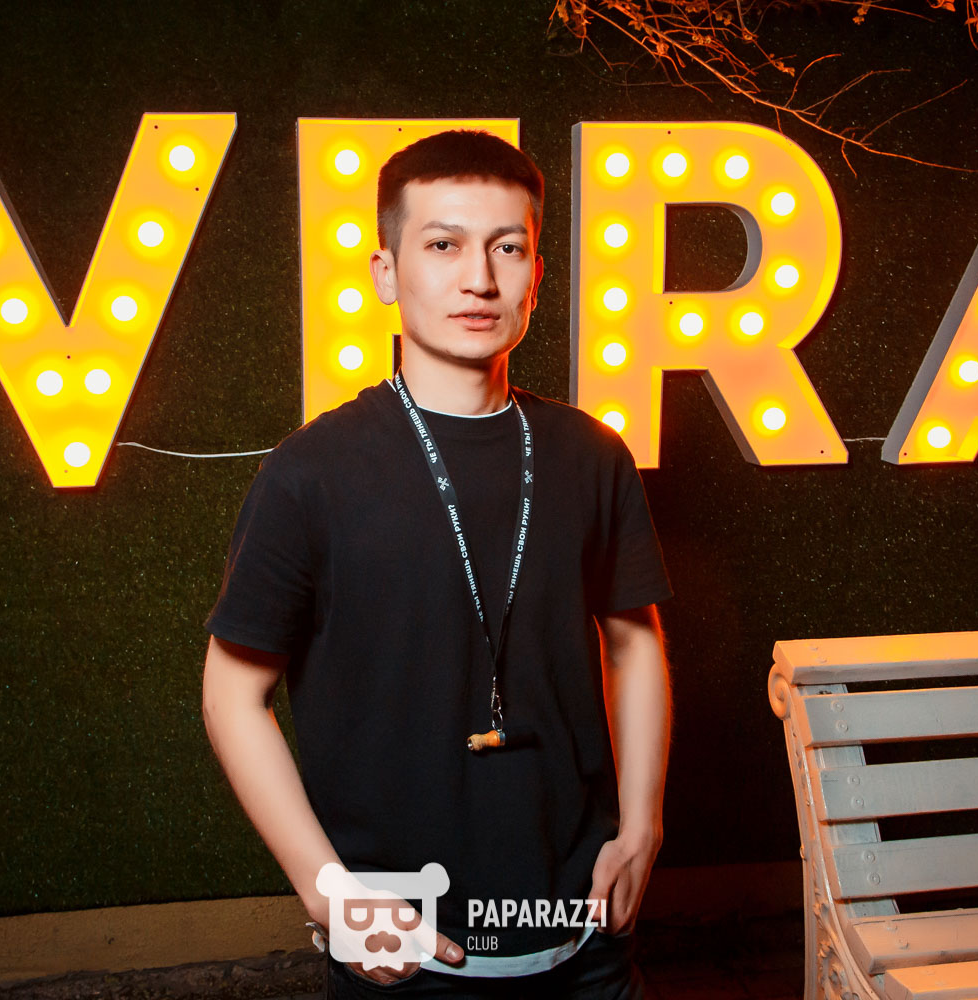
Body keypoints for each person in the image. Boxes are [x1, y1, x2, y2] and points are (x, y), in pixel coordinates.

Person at [202, 129, 672, 999]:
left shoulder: (591, 455)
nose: (479, 279)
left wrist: (642, 826)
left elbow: (635, 643)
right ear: (386, 272)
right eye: (444, 245)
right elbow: (232, 693)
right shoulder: (311, 472)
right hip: (407, 949)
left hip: (587, 943)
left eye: (507, 248)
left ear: (537, 275)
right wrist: (329, 892)